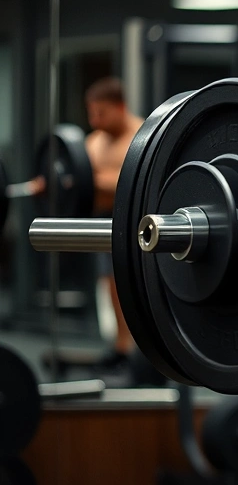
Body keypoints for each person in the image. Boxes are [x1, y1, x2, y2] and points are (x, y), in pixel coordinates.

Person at [83, 77, 144, 367]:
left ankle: (140, 352)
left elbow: (132, 183)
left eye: (101, 113)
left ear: (120, 107)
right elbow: (77, 178)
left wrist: (93, 180)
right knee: (111, 287)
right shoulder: (94, 142)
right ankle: (122, 348)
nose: (94, 121)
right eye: (91, 113)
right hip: (103, 222)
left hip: (136, 224)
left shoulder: (142, 136)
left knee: (133, 287)